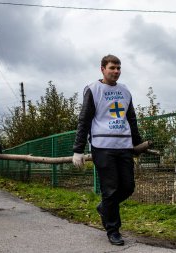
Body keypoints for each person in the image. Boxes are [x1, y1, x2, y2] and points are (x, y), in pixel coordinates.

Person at [72, 55, 143, 246]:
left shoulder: (125, 91)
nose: (116, 71)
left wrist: (137, 143)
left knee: (128, 187)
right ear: (102, 69)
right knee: (110, 190)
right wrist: (78, 149)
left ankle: (104, 208)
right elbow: (84, 120)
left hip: (124, 146)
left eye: (119, 68)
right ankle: (113, 230)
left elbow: (131, 118)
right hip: (102, 147)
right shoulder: (93, 90)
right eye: (112, 68)